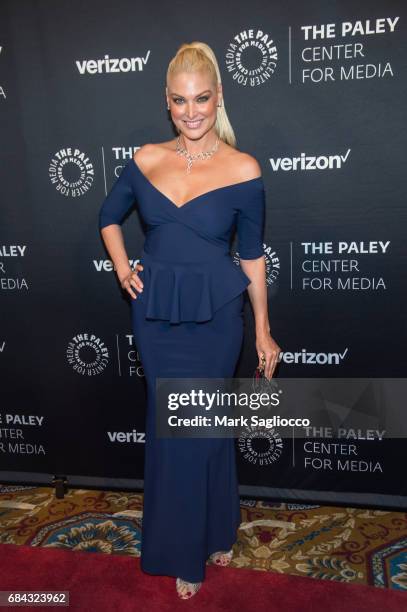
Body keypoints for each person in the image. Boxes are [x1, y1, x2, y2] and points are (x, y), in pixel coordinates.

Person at [99, 41, 281, 600]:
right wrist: (122, 264)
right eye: (180, 100)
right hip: (156, 315)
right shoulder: (145, 159)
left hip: (217, 316)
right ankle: (196, 538)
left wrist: (263, 328)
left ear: (219, 96)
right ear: (168, 102)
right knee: (173, 431)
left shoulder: (244, 168)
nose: (192, 110)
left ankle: (206, 535)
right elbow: (109, 217)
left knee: (202, 430)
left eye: (202, 98)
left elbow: (251, 256)